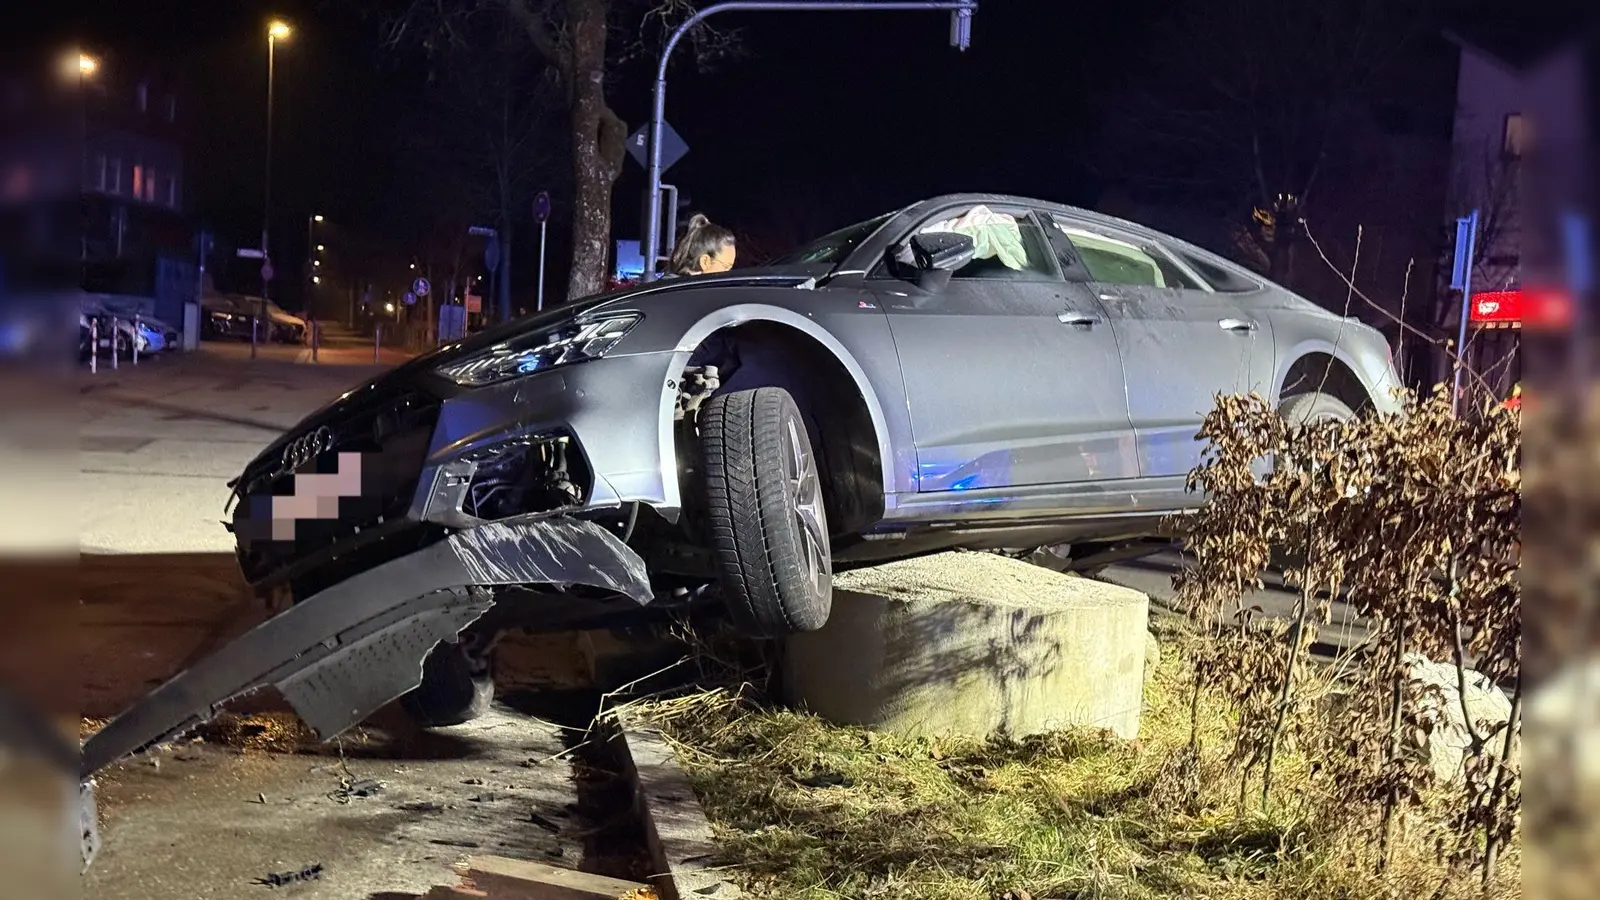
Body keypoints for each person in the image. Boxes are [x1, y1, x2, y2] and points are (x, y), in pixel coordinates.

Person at [668, 214, 737, 276]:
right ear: (705, 262)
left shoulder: (665, 284)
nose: (729, 274)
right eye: (726, 267)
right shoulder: (703, 289)